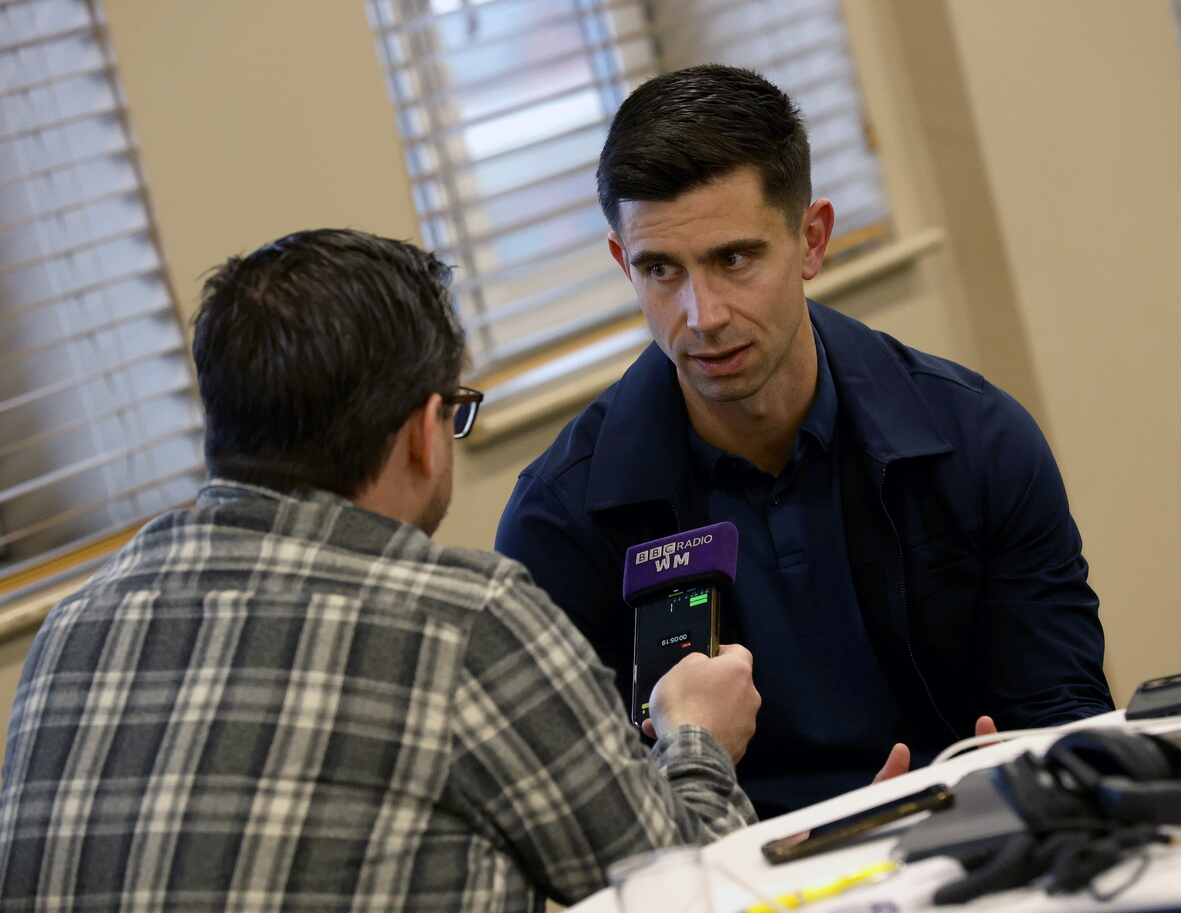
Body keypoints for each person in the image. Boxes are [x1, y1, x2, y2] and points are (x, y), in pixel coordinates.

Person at [0, 229, 760, 912]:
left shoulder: (70, 632)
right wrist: (694, 735)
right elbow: (683, 891)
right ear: (422, 433)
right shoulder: (464, 622)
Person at [496, 65, 1113, 819]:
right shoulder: (562, 522)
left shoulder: (977, 440)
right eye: (662, 270)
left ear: (811, 240)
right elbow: (591, 825)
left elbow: (1065, 712)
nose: (703, 314)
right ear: (626, 265)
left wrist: (1004, 784)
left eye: (734, 258)